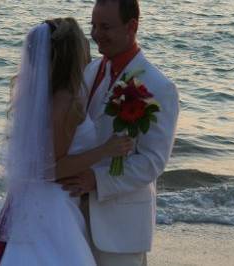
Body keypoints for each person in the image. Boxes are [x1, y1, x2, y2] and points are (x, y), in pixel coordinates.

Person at [0, 17, 133, 266]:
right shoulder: (66, 101)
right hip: (52, 206)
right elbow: (50, 169)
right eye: (83, 40)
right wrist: (105, 150)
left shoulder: (45, 97)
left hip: (36, 201)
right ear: (72, 53)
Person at [57, 1, 180, 265]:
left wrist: (96, 179)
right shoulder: (90, 71)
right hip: (75, 215)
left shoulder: (159, 86)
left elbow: (152, 162)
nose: (96, 34)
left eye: (105, 26)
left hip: (121, 227)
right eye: (93, 25)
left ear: (131, 27)